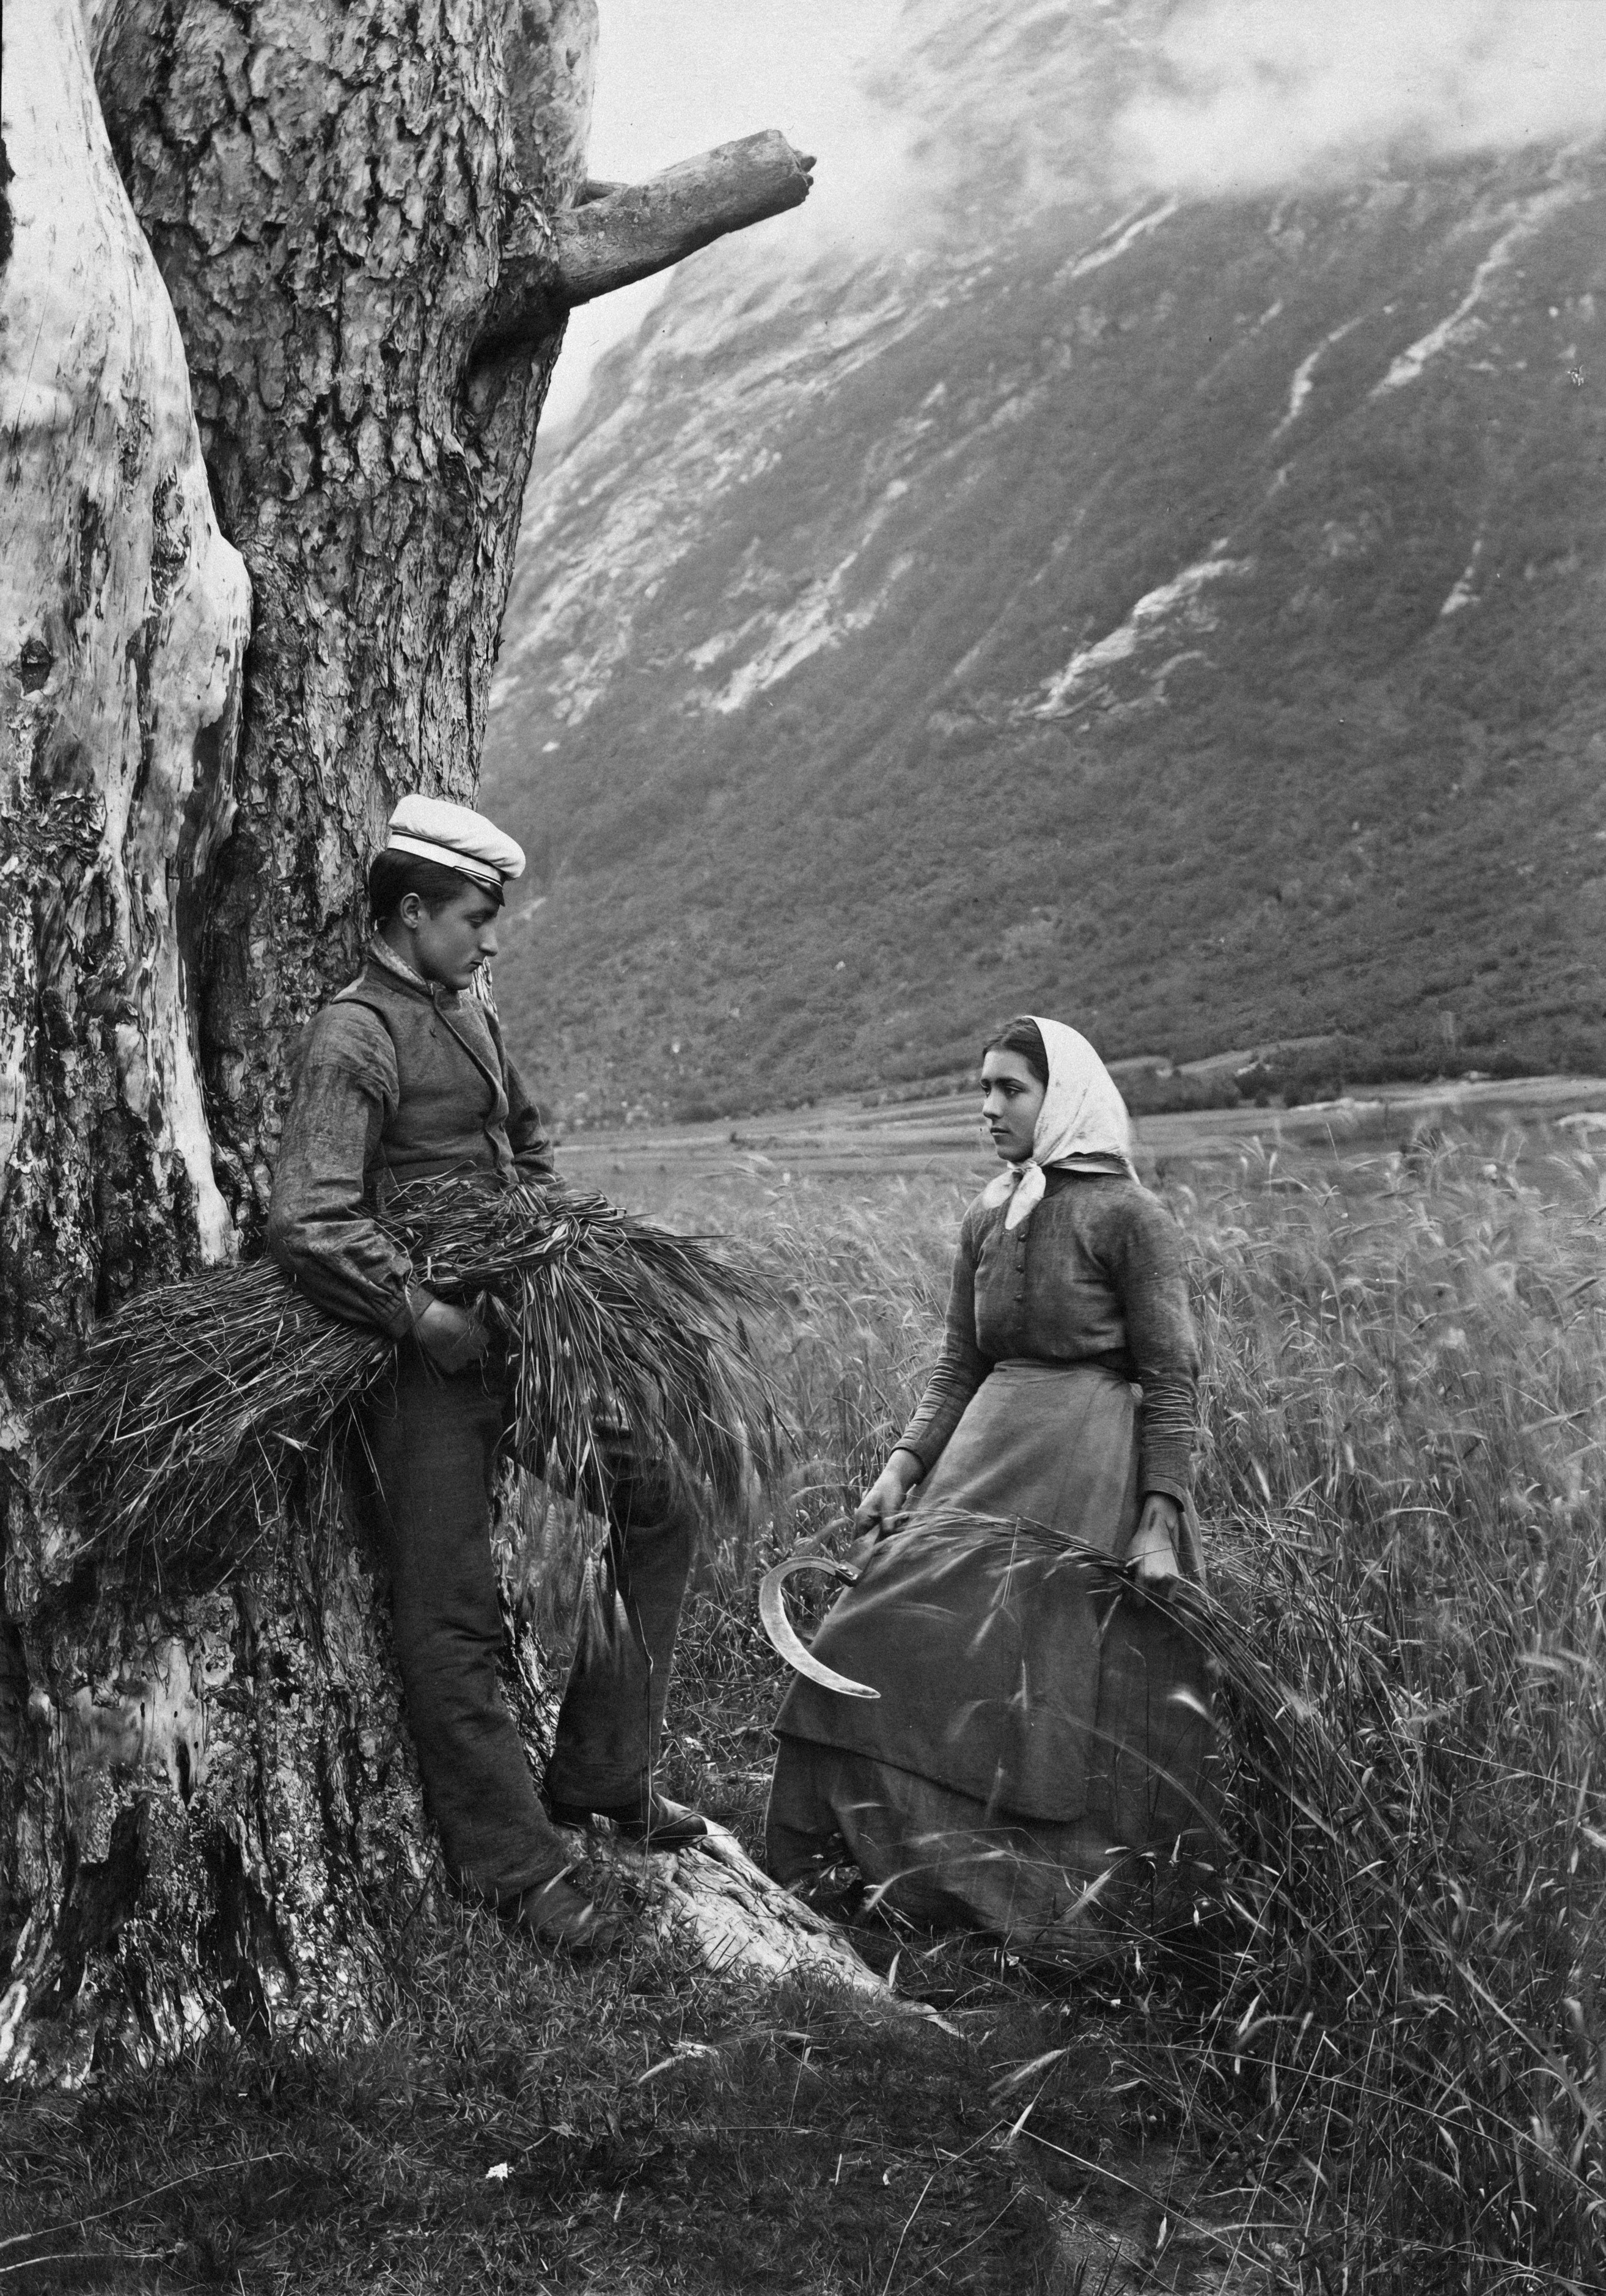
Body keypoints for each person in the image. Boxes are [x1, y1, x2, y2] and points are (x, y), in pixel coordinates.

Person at [267, 793, 706, 1952]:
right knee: (449, 1609)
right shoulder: (355, 1033)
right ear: (411, 914)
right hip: (424, 1369)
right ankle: (512, 1867)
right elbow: (310, 1219)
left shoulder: (466, 1016)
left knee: (661, 1498)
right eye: (474, 917)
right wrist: (420, 1315)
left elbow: (526, 1145)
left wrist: (564, 1258)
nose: (489, 939)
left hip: (519, 1334)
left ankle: (604, 1774)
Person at [765, 1015, 1212, 1950]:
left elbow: (1172, 1377)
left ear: (1066, 1097)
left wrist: (1159, 1519)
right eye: (983, 1088)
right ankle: (873, 1872)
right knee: (873, 1631)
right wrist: (901, 1469)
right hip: (982, 1457)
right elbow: (956, 1366)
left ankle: (1050, 1913)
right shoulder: (990, 1212)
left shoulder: (1133, 1218)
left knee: (1040, 1691)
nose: (988, 1107)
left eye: (1011, 1088)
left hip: (1087, 1470)